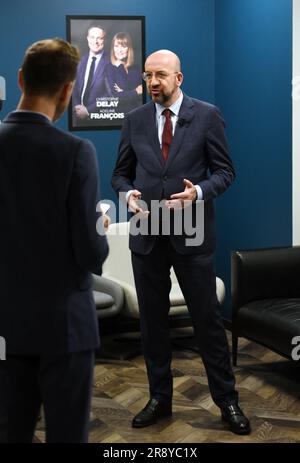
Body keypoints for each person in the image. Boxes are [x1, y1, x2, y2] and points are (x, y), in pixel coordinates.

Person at [111, 50, 251, 435]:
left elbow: (226, 171)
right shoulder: (134, 119)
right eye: (147, 76)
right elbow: (119, 175)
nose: (153, 82)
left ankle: (227, 401)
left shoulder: (207, 115)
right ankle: (160, 398)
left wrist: (200, 193)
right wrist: (128, 196)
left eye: (160, 75)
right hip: (147, 235)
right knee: (152, 325)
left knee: (207, 323)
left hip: (192, 235)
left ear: (179, 77)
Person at [0, 38, 109, 443]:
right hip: (63, 328)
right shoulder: (76, 152)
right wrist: (99, 223)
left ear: (21, 79)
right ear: (67, 90)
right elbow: (91, 252)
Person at [72, 26, 109, 120]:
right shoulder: (80, 60)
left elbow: (111, 93)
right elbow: (74, 87)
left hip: (100, 119)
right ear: (87, 38)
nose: (95, 41)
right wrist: (77, 107)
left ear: (104, 40)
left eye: (99, 38)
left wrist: (88, 110)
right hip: (77, 116)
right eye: (92, 37)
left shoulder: (111, 62)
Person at [105, 32, 143, 113]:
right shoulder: (110, 68)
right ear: (113, 48)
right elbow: (116, 97)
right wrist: (135, 92)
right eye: (116, 46)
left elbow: (144, 93)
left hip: (137, 112)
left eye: (123, 46)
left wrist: (124, 92)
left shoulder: (136, 68)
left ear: (129, 48)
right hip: (119, 115)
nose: (119, 50)